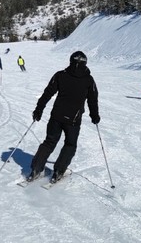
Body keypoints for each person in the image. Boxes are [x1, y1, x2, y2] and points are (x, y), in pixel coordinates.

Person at [27, 51, 100, 183]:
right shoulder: (88, 80)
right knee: (70, 145)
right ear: (85, 63)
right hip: (73, 120)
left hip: (57, 116)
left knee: (49, 142)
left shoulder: (61, 75)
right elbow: (93, 100)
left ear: (71, 61)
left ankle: (36, 169)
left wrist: (39, 109)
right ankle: (58, 171)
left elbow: (47, 93)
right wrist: (94, 115)